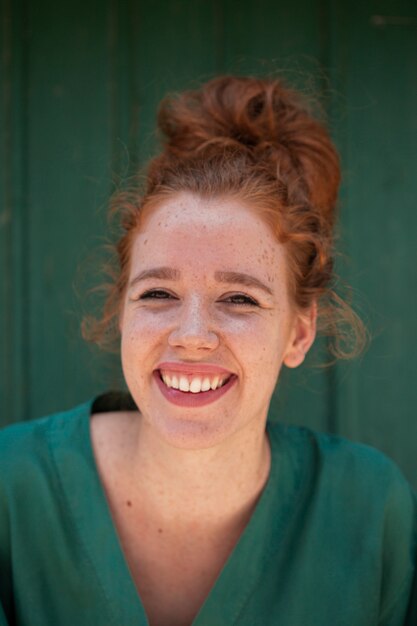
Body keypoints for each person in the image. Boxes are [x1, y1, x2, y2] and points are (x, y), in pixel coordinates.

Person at [0, 76, 416, 626]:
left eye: (240, 298)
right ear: (121, 311)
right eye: (158, 293)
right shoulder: (10, 488)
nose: (191, 334)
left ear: (299, 332)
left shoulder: (368, 509)